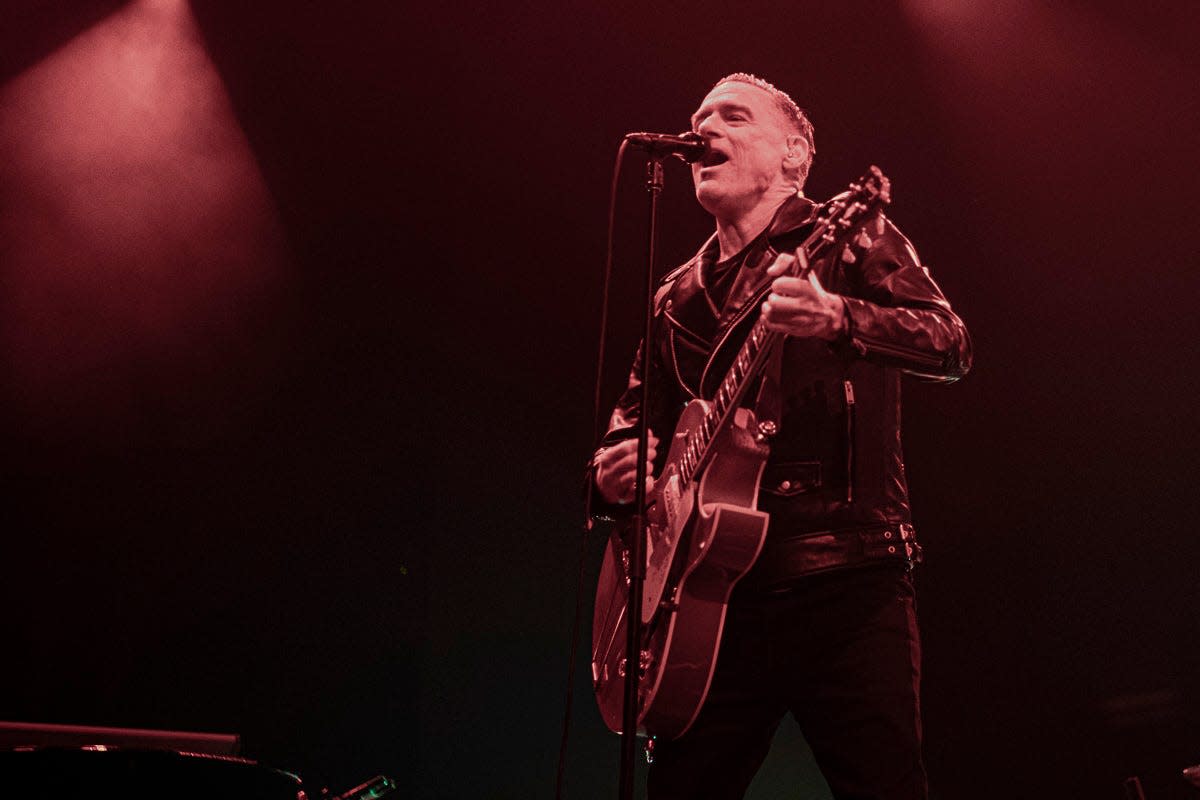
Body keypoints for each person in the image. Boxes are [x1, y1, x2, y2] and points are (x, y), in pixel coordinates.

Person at [589, 73, 972, 799]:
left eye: (733, 116)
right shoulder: (674, 294)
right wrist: (610, 470)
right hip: (710, 600)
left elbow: (951, 343)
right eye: (699, 119)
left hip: (845, 577)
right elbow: (633, 419)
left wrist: (842, 319)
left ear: (795, 154)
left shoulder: (849, 232)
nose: (706, 130)